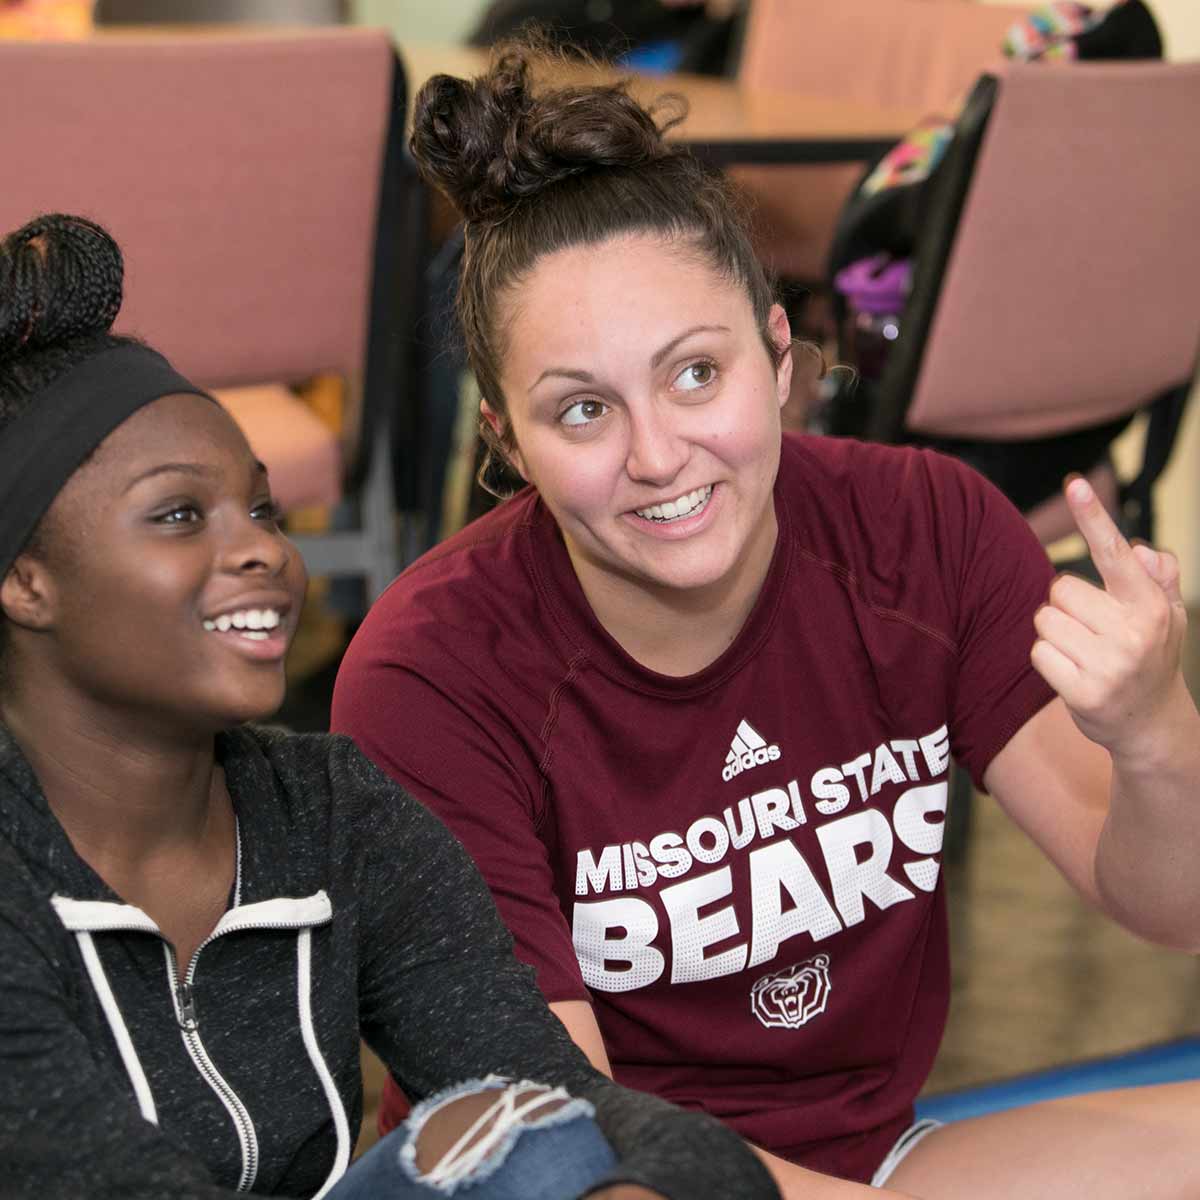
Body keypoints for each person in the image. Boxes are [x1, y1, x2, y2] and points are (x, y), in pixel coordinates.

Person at [330, 41, 1200, 1200]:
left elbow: (1167, 903)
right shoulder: (429, 674)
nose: (656, 456)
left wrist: (1152, 735)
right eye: (583, 410)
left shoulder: (923, 529)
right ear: (503, 439)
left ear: (782, 355)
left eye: (697, 375)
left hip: (868, 1166)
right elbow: (565, 1134)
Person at [0, 212, 780, 1200]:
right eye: (180, 516)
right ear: (25, 579)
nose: (264, 553)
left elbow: (561, 1095)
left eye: (264, 511)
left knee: (547, 1142)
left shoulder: (329, 814)